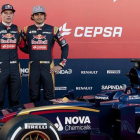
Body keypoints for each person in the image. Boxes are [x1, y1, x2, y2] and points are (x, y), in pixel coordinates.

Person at [21, 5, 69, 102]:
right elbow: (21, 45)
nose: (39, 17)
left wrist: (61, 64)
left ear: (45, 16)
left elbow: (65, 46)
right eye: (36, 14)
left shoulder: (53, 30)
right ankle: (35, 117)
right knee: (34, 96)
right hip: (33, 67)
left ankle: (49, 117)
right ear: (32, 16)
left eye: (41, 14)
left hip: (48, 68)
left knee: (49, 96)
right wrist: (31, 50)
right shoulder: (27, 30)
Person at [0, 4, 24, 108]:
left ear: (13, 15)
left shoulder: (18, 29)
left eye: (11, 13)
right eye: (6, 13)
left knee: (14, 99)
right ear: (1, 14)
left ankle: (13, 123)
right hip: (1, 67)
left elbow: (24, 46)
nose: (8, 15)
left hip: (15, 67)